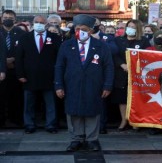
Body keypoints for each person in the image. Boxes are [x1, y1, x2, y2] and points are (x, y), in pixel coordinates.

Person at [55, 14, 114, 151]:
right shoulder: (66, 45)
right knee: (73, 111)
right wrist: (58, 85)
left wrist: (107, 85)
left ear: (91, 30)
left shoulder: (101, 46)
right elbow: (59, 66)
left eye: (83, 28)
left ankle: (92, 139)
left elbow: (108, 67)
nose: (79, 31)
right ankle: (76, 139)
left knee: (92, 111)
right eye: (77, 28)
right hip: (71, 85)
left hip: (94, 85)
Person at [15, 15, 62, 134]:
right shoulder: (25, 37)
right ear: (33, 23)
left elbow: (59, 58)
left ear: (46, 24)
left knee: (50, 103)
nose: (39, 24)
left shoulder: (54, 38)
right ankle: (29, 125)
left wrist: (57, 76)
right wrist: (20, 74)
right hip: (29, 76)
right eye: (37, 22)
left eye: (42, 22)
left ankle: (51, 125)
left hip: (49, 77)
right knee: (29, 103)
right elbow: (19, 58)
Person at [113, 19, 151, 131]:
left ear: (138, 29)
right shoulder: (118, 40)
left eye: (133, 27)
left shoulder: (144, 41)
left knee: (136, 97)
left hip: (137, 75)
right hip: (122, 73)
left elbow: (148, 56)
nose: (130, 28)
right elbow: (114, 55)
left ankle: (135, 120)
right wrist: (122, 64)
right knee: (122, 98)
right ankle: (124, 120)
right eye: (129, 26)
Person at [0, 10, 25, 127]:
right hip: (1, 70)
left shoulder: (21, 33)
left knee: (16, 96)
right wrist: (4, 61)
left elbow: (24, 51)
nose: (7, 19)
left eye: (10, 17)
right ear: (1, 18)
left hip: (16, 69)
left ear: (15, 19)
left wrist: (13, 59)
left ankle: (16, 119)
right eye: (5, 17)